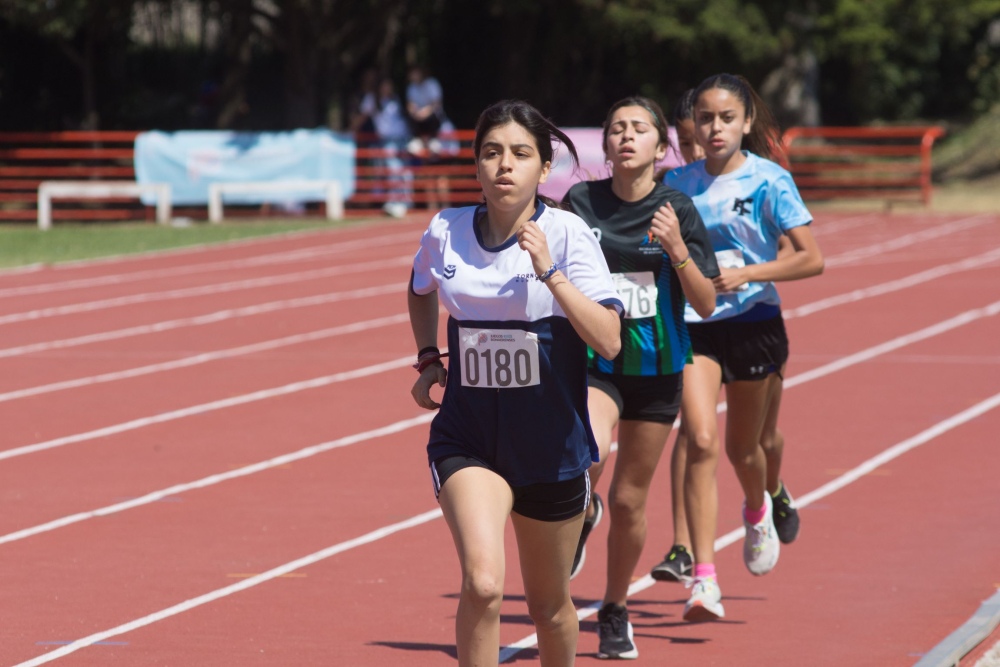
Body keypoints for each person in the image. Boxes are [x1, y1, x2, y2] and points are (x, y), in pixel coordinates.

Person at [408, 99, 624, 667]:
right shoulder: (446, 230)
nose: (505, 165)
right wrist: (428, 354)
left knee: (551, 607)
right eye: (492, 153)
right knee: (482, 583)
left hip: (550, 445)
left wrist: (549, 271)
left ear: (544, 167)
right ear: (476, 166)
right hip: (468, 438)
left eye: (520, 154)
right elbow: (419, 286)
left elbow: (608, 340)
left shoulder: (569, 234)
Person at [650, 74, 823, 623]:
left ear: (746, 122)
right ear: (692, 125)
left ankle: (757, 508)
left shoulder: (769, 180)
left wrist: (748, 272)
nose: (715, 127)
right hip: (695, 326)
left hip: (754, 322)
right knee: (699, 438)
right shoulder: (677, 182)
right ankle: (704, 580)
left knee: (743, 448)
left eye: (726, 118)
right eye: (705, 118)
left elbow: (810, 258)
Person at [561, 96, 718, 659]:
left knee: (630, 501)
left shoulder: (679, 206)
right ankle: (583, 508)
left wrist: (676, 247)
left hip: (658, 371)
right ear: (605, 146)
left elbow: (704, 301)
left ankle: (614, 607)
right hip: (597, 362)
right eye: (617, 129)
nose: (627, 136)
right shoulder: (581, 202)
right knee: (591, 453)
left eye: (639, 128)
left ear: (660, 145)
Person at [357, 77, 413, 218]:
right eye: (385, 86)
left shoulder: (395, 99)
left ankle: (405, 201)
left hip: (402, 138)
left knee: (403, 171)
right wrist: (350, 130)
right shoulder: (372, 99)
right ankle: (394, 201)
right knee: (392, 170)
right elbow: (362, 117)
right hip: (387, 140)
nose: (387, 89)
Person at [405, 65, 450, 157]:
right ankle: (417, 141)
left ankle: (433, 141)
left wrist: (424, 113)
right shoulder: (411, 87)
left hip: (434, 119)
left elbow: (436, 104)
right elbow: (410, 104)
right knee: (409, 118)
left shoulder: (432, 84)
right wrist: (414, 112)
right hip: (418, 120)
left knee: (432, 117)